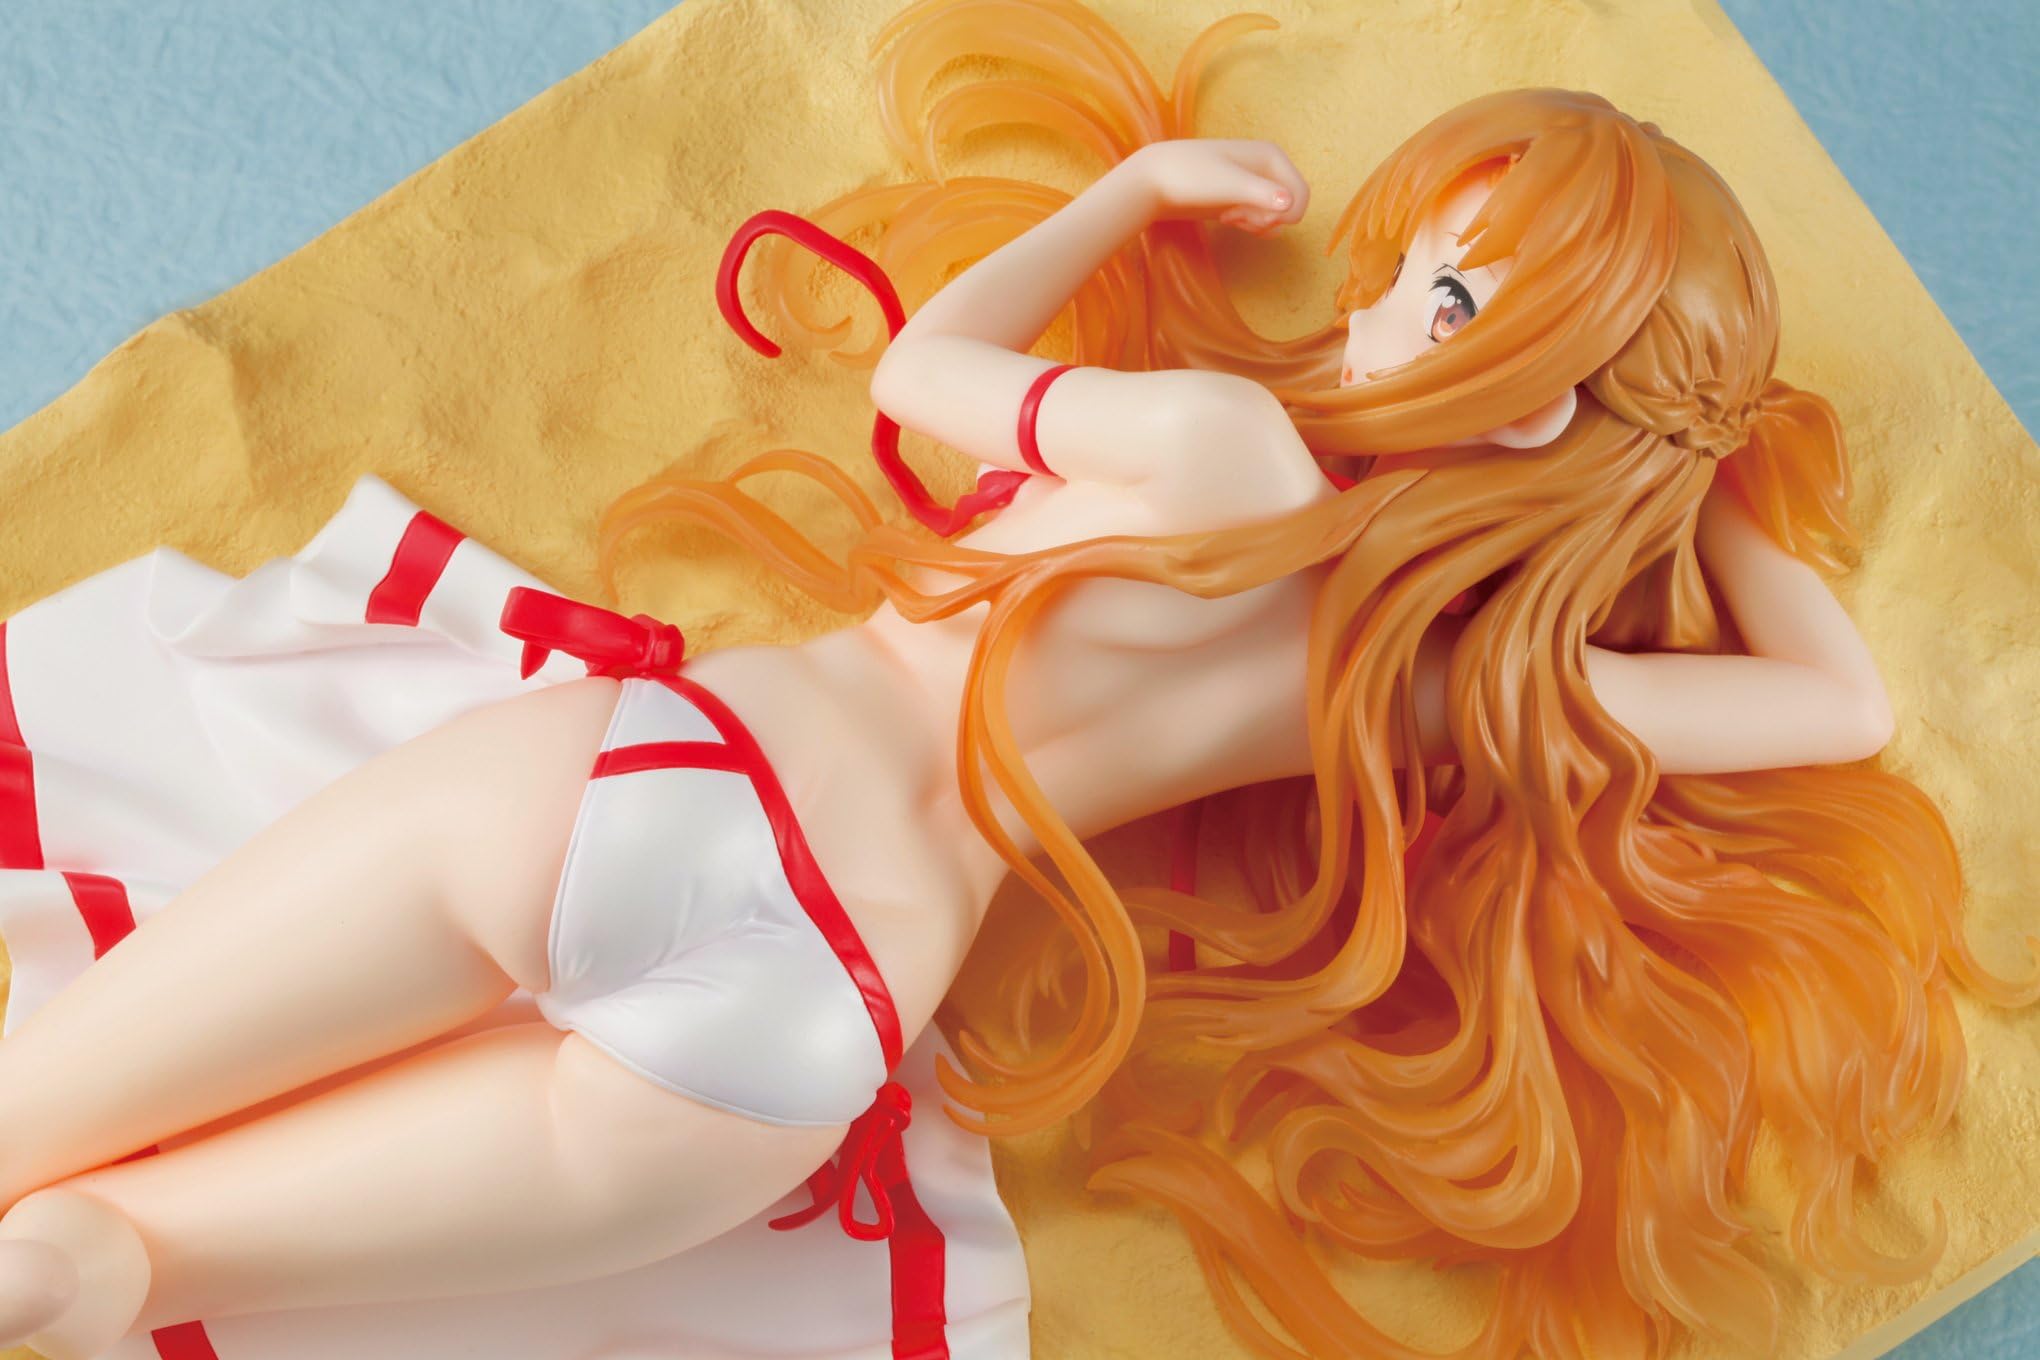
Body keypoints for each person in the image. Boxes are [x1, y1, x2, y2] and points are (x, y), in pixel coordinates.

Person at [0, 6, 2026, 1359]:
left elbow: (919, 373)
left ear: (1532, 391)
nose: (1383, 306)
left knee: (33, 1117)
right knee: (115, 1259)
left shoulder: (1220, 443)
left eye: (1449, 291)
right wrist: (1695, 471)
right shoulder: (1442, 682)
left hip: (690, 781)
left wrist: (1123, 199)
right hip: (822, 1024)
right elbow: (1836, 705)